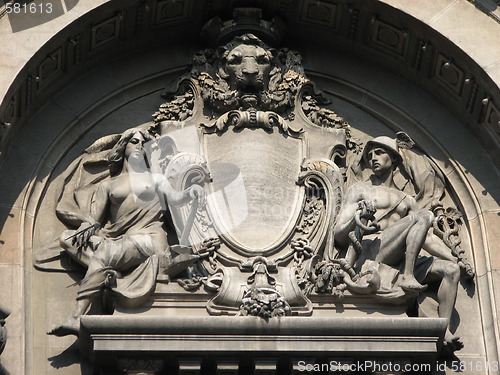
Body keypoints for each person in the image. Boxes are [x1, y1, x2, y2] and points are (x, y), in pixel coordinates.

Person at [49, 128, 205, 336]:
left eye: (143, 143)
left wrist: (190, 191)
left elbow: (176, 199)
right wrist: (87, 227)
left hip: (151, 240)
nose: (139, 146)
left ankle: (78, 315)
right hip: (120, 239)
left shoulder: (156, 179)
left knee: (105, 254)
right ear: (123, 147)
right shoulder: (107, 185)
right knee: (67, 238)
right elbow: (95, 221)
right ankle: (106, 271)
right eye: (134, 142)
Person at [334, 136, 462, 351]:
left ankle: (444, 330)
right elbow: (339, 233)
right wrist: (359, 213)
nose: (373, 158)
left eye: (379, 153)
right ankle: (408, 276)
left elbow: (427, 238)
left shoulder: (407, 200)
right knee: (422, 216)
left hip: (400, 256)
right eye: (370, 155)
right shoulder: (360, 190)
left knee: (451, 270)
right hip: (371, 252)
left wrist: (454, 258)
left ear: (393, 158)